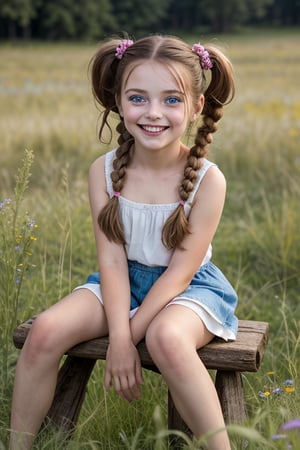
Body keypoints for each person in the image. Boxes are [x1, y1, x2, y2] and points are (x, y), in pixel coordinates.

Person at [10, 34, 238, 450]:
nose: (154, 113)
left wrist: (125, 339)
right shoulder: (104, 171)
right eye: (138, 98)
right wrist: (119, 337)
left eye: (171, 100)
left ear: (196, 106)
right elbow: (112, 263)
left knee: (166, 339)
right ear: (117, 100)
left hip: (188, 290)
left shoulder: (208, 180)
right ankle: (18, 445)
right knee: (45, 331)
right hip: (121, 282)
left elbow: (179, 273)